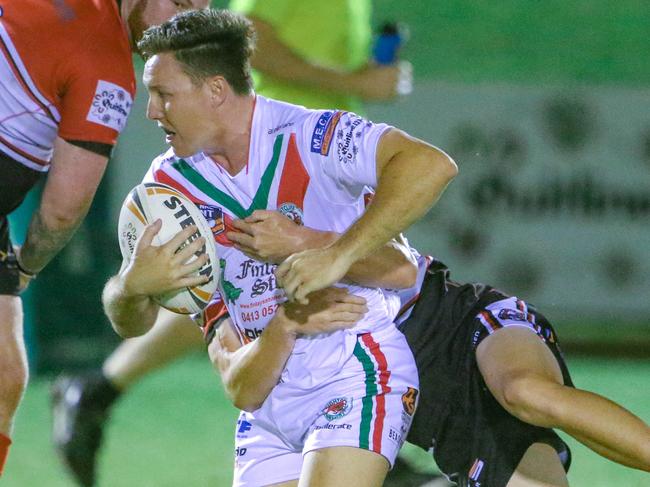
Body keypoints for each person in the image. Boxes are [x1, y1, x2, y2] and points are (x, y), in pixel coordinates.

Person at [50, 1, 424, 484]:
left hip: (308, 170)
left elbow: (412, 230)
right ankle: (101, 388)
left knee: (354, 282)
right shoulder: (175, 176)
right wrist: (130, 287)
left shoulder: (314, 127)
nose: (149, 111)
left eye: (162, 93)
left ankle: (366, 431)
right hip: (256, 160)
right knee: (238, 293)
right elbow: (254, 36)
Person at [205, 209, 650, 486]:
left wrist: (304, 240)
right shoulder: (217, 282)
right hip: (445, 418)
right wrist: (132, 289)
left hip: (462, 326)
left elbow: (404, 267)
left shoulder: (318, 199)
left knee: (524, 390)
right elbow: (237, 380)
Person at [0, 0, 208, 478]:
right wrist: (27, 266)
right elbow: (62, 210)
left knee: (5, 375)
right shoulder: (106, 64)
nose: (180, 26)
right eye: (177, 4)